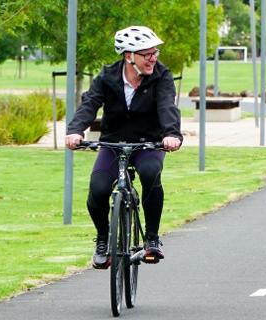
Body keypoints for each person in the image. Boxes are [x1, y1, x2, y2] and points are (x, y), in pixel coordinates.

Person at [66, 26, 182, 269]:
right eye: (146, 54)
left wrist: (171, 134)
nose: (153, 58)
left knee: (151, 174)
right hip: (113, 142)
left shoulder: (161, 75)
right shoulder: (108, 76)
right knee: (97, 190)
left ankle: (151, 238)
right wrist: (76, 130)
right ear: (129, 56)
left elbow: (166, 106)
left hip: (148, 143)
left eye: (155, 52)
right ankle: (102, 238)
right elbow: (90, 103)